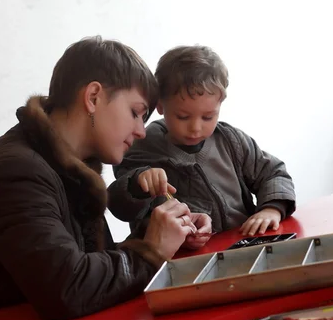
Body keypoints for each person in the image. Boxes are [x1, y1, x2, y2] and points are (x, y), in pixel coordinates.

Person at [0, 36, 211, 320]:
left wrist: (168, 234)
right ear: (93, 97)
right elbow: (68, 289)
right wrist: (152, 252)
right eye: (135, 113)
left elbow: (93, 271)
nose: (141, 131)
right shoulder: (16, 174)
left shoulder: (66, 166)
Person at [107, 45, 295, 246]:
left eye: (208, 116)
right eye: (183, 116)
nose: (195, 128)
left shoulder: (231, 141)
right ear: (161, 105)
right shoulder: (143, 146)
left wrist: (271, 209)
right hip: (179, 257)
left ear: (220, 103)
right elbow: (118, 203)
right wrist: (137, 183)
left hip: (242, 245)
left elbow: (273, 173)